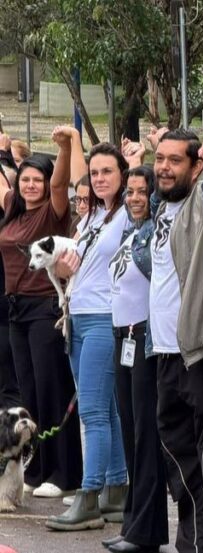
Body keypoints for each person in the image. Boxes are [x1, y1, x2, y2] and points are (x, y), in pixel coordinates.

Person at [148, 129, 203, 553]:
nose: (163, 167)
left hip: (200, 353)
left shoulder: (202, 198)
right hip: (164, 352)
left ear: (197, 166)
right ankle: (193, 540)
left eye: (174, 161)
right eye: (159, 158)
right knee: (177, 456)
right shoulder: (162, 206)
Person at [46, 141, 132, 531]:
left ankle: (89, 497)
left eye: (107, 172)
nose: (99, 179)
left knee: (93, 412)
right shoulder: (91, 218)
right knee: (106, 411)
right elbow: (73, 271)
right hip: (76, 318)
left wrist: (76, 144)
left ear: (123, 175)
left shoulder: (127, 214)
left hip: (104, 319)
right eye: (95, 173)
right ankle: (117, 490)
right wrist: (63, 272)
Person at [0, 127, 81, 498]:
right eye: (25, 180)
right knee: (29, 393)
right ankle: (39, 467)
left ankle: (64, 473)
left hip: (44, 308)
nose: (31, 185)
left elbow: (62, 185)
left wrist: (65, 147)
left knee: (51, 390)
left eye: (38, 180)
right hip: (15, 311)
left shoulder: (52, 214)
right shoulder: (12, 213)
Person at [103, 161, 169, 553]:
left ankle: (144, 533)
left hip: (144, 341)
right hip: (122, 338)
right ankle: (134, 525)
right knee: (131, 434)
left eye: (143, 192)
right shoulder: (130, 233)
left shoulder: (154, 234)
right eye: (130, 192)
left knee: (146, 436)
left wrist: (148, 151)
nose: (135, 198)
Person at [0, 137, 19, 410]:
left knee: (9, 387)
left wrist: (3, 154)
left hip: (7, 314)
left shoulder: (11, 219)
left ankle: (14, 447)